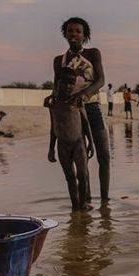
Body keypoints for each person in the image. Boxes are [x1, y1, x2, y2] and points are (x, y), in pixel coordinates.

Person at [52, 17, 111, 203]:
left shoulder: (93, 53)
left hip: (91, 108)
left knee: (104, 156)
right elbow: (57, 86)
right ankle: (84, 202)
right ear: (65, 34)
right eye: (70, 31)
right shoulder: (59, 60)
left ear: (85, 35)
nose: (74, 34)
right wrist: (52, 96)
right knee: (80, 161)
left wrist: (83, 95)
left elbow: (100, 80)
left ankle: (104, 203)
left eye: (78, 31)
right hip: (70, 114)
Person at [48, 68, 93, 210]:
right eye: (64, 83)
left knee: (82, 175)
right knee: (70, 177)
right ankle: (75, 206)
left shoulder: (77, 101)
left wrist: (91, 143)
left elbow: (85, 123)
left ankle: (83, 204)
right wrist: (51, 149)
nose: (68, 86)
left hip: (78, 143)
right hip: (62, 146)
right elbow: (53, 127)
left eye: (71, 83)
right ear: (58, 83)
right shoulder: (53, 104)